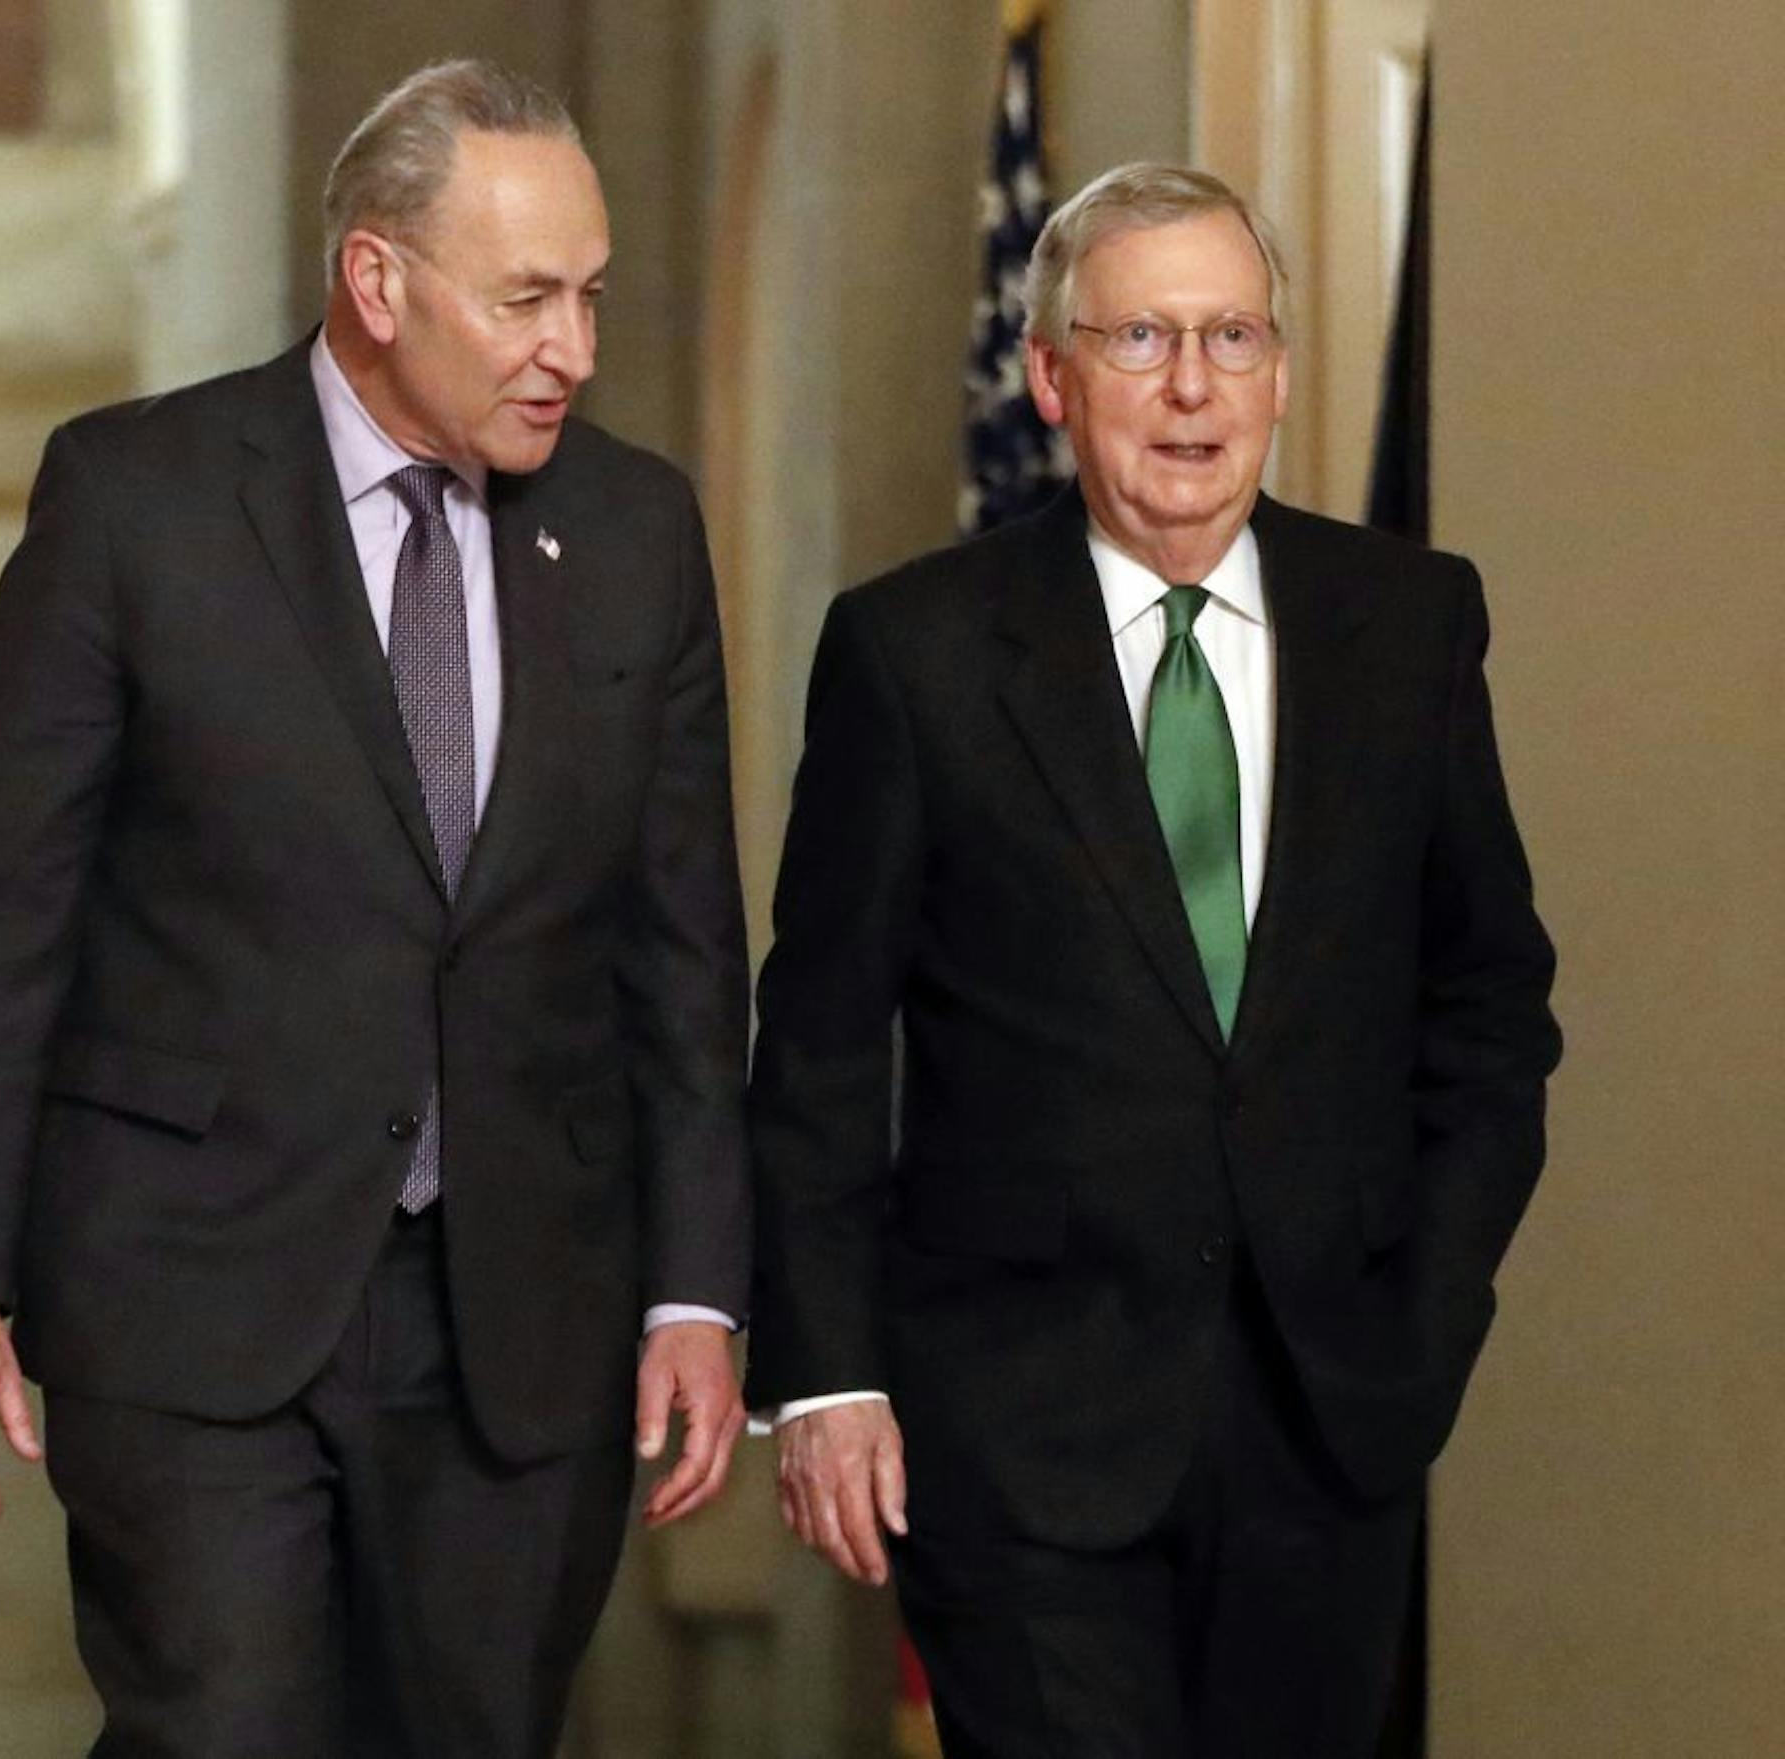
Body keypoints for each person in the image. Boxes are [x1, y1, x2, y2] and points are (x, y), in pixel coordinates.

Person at [0, 59, 751, 1759]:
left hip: (519, 1313)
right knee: (226, 1726)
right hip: (195, 1288)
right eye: (524, 298)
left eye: (590, 294)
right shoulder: (138, 499)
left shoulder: (638, 531)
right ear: (375, 280)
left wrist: (698, 1291)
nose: (571, 343)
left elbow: (683, 948)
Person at [748, 162, 1561, 1758]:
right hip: (1018, 1442)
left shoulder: (1407, 624)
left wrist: (1431, 1306)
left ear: (1276, 370)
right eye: (1139, 340)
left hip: (1332, 1425)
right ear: (1050, 376)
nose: (1193, 389)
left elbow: (1489, 1005)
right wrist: (830, 1375)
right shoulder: (913, 654)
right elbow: (824, 1043)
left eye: (1234, 338)